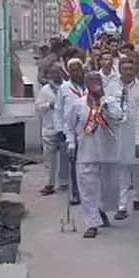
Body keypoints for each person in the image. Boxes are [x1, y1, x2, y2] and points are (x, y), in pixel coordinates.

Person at [66, 73, 124, 238]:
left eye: (97, 81)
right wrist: (71, 143)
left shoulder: (111, 102)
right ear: (87, 84)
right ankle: (92, 223)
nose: (95, 84)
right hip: (86, 153)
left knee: (109, 188)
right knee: (87, 189)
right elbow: (69, 125)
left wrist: (105, 106)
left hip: (108, 153)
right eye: (91, 82)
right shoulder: (78, 104)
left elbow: (120, 117)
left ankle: (102, 209)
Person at [113, 54, 139, 218]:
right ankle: (122, 206)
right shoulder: (112, 87)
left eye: (131, 69)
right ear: (119, 69)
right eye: (125, 68)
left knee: (138, 169)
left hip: (137, 133)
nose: (128, 72)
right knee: (122, 171)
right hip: (118, 134)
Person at [34, 63, 67, 196]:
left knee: (65, 157)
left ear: (61, 72)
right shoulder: (45, 90)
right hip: (50, 128)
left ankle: (64, 183)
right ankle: (49, 184)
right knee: (49, 158)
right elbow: (38, 107)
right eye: (51, 73)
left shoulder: (67, 87)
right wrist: (49, 105)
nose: (54, 75)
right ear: (48, 75)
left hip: (65, 128)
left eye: (57, 72)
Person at [60, 59, 88, 205]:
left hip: (89, 131)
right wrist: (65, 135)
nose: (75, 73)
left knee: (89, 166)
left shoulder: (89, 85)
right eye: (72, 70)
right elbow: (60, 111)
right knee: (74, 165)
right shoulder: (64, 88)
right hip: (72, 131)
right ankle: (75, 193)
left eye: (77, 70)